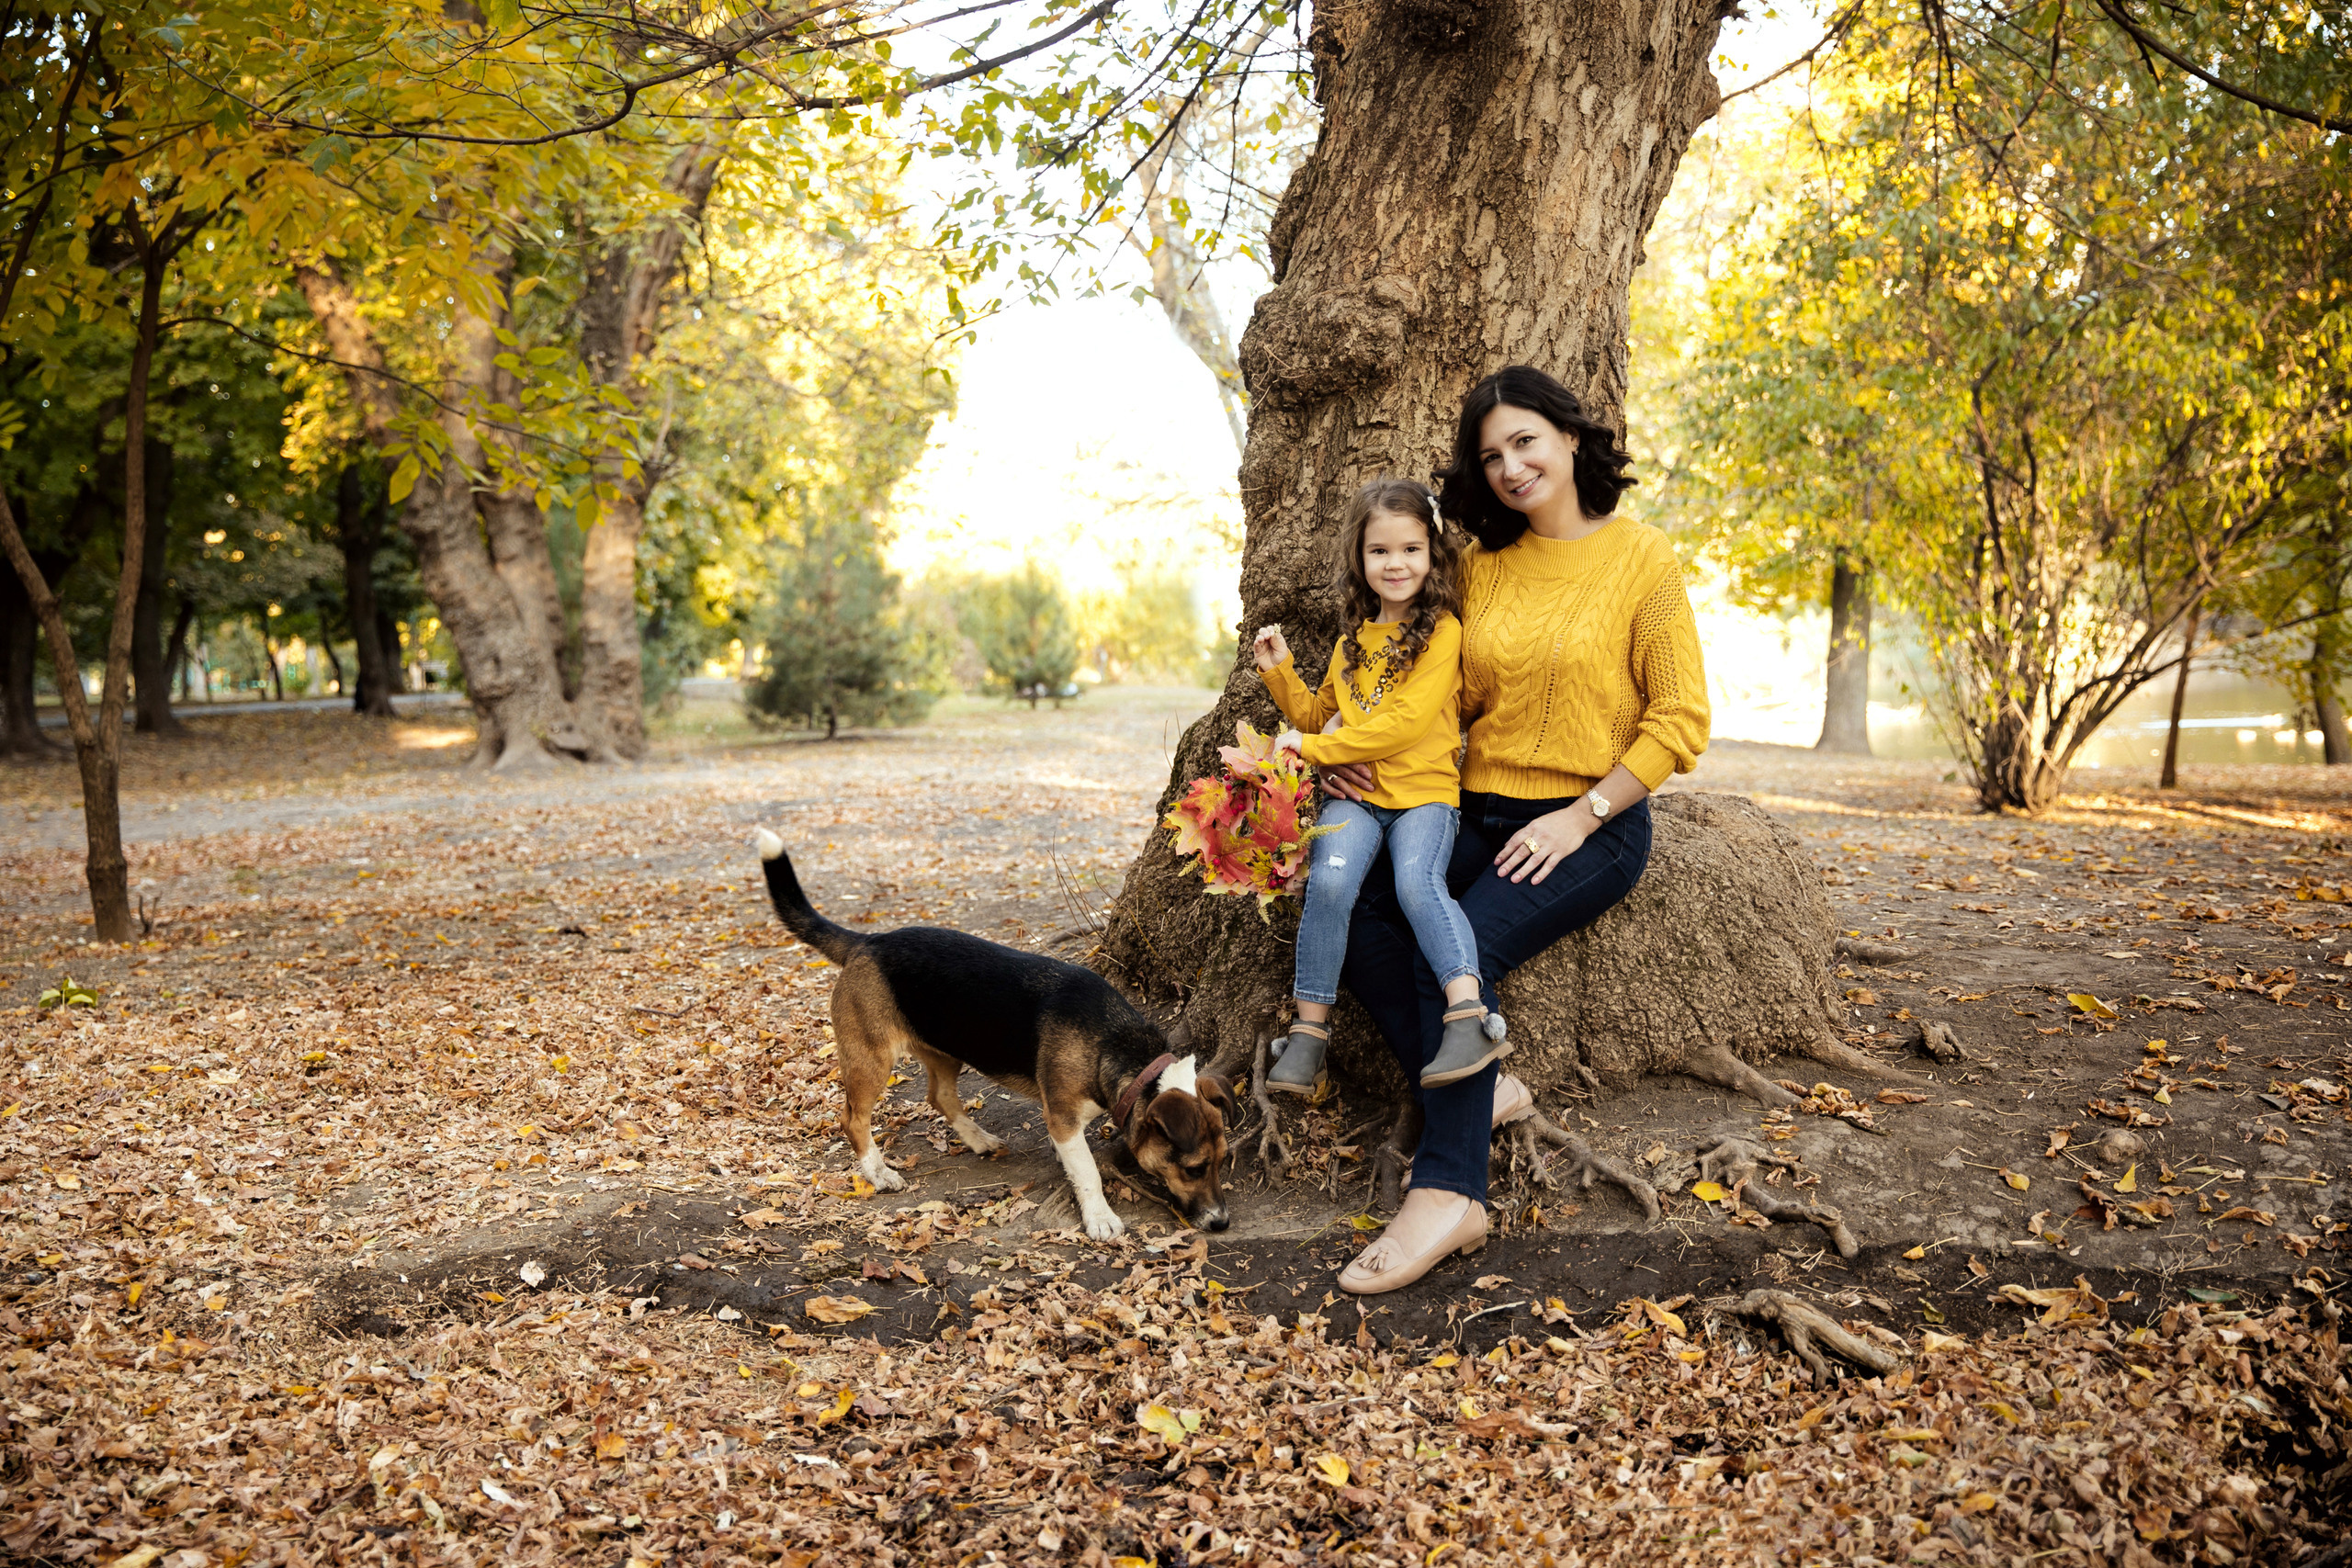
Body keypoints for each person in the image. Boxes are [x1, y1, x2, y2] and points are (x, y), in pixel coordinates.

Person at [1324, 366, 1711, 1296]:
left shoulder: (1643, 559)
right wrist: (1345, 743)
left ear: (1571, 437)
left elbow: (1679, 719)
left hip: (1591, 822)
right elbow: (1435, 698)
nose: (1509, 466)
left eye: (1525, 441)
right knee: (1351, 905)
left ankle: (1450, 1193)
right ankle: (1481, 1085)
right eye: (1491, 454)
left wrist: (1582, 816)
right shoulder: (1480, 570)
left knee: (1450, 949)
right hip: (1473, 807)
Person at [1250, 479, 1499, 1101]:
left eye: (1411, 549)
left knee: (1418, 884)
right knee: (1331, 884)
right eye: (1380, 551)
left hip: (1424, 798)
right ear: (1360, 558)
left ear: (1432, 554)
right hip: (1357, 800)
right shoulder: (1350, 643)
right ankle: (1309, 1034)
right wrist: (1280, 673)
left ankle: (1467, 1017)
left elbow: (1404, 725)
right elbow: (1319, 719)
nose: (1396, 563)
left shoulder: (1442, 633)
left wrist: (1312, 751)